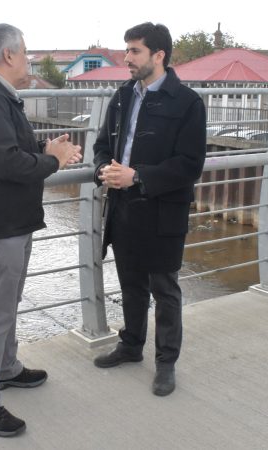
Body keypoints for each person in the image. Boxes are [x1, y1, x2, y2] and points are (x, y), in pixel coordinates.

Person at [0, 23, 82, 437]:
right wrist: (56, 162)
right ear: (8, 55)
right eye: (25, 53)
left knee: (6, 305)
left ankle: (6, 369)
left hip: (10, 220)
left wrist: (47, 150)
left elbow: (13, 149)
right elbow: (7, 163)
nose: (28, 60)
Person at [91, 22, 206, 396]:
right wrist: (103, 170)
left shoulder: (187, 102)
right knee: (130, 285)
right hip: (123, 208)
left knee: (165, 290)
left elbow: (190, 164)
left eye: (135, 51)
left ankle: (166, 363)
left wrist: (137, 176)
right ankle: (130, 345)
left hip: (162, 212)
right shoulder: (123, 96)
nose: (126, 58)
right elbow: (102, 146)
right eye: (126, 50)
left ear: (159, 56)